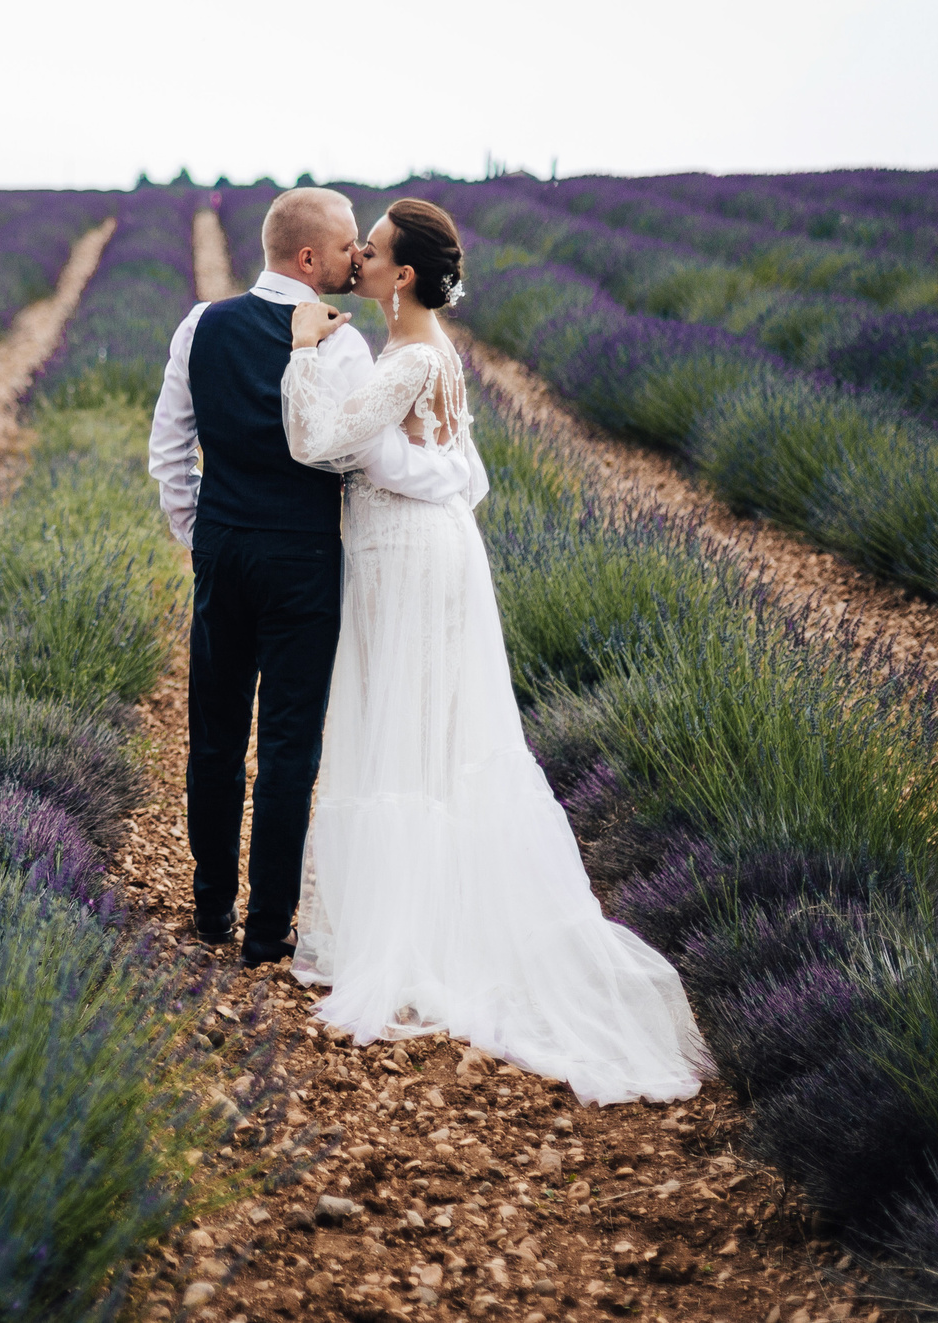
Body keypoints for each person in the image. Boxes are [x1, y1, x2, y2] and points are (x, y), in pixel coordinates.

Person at [279, 198, 705, 1103]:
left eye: (375, 250)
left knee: (402, 727)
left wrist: (305, 349)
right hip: (433, 551)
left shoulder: (407, 361)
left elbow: (318, 442)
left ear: (400, 276)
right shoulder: (438, 358)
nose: (359, 257)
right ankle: (433, 919)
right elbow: (468, 476)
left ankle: (409, 940)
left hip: (403, 557)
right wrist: (403, 472)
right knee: (430, 730)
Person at [148, 187, 474, 967]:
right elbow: (348, 452)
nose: (354, 258)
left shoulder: (200, 324)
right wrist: (453, 478)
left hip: (225, 552)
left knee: (216, 734)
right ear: (307, 258)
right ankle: (268, 931)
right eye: (344, 248)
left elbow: (169, 454)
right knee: (292, 745)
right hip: (304, 561)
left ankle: (211, 907)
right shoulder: (344, 345)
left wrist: (205, 536)